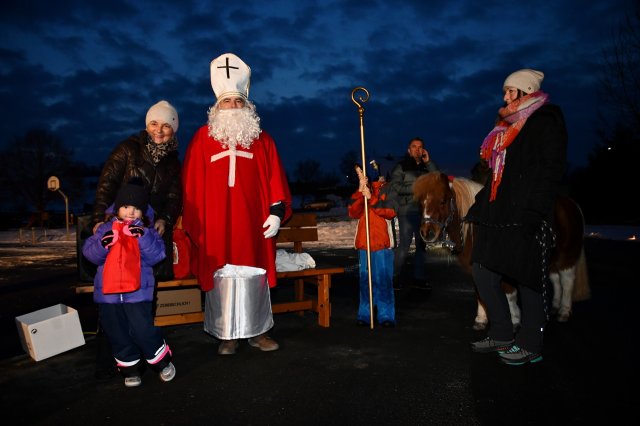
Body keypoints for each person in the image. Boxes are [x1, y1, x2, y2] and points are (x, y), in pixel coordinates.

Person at [182, 52, 292, 355]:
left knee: (252, 273)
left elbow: (275, 181)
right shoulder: (202, 139)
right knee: (222, 275)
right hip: (215, 223)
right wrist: (196, 223)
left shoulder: (262, 140)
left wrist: (277, 213)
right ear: (217, 107)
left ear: (248, 106)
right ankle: (226, 334)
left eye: (238, 101)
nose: (233, 107)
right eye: (227, 102)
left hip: (253, 223)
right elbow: (190, 186)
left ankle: (258, 332)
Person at [466, 68, 568, 366]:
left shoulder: (545, 121)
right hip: (500, 213)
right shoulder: (506, 128)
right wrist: (481, 204)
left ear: (526, 92)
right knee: (483, 272)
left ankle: (531, 343)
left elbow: (550, 170)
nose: (505, 96)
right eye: (505, 92)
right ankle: (501, 332)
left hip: (527, 212)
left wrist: (535, 211)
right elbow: (501, 175)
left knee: (528, 279)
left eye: (510, 91)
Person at [88, 100, 182, 379]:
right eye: (154, 123)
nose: (159, 130)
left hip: (148, 229)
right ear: (146, 124)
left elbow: (176, 197)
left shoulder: (174, 162)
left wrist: (164, 217)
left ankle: (151, 355)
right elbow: (106, 183)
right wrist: (99, 220)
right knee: (114, 313)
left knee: (141, 303)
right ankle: (125, 361)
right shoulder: (128, 149)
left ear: (174, 129)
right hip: (117, 222)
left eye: (166, 125)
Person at [82, 179, 176, 387]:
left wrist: (142, 237)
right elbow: (89, 255)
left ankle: (162, 361)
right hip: (108, 295)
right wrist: (103, 245)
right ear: (117, 208)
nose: (131, 212)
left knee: (142, 329)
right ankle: (130, 368)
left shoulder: (146, 231)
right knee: (117, 332)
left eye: (136, 208)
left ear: (143, 212)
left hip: (137, 292)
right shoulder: (104, 229)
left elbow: (158, 255)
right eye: (125, 207)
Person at [348, 168, 397, 327]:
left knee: (384, 280)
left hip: (382, 243)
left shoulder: (389, 189)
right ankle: (365, 313)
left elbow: (390, 211)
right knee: (365, 281)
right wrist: (361, 192)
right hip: (365, 243)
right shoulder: (361, 189)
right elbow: (353, 212)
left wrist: (371, 198)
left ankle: (386, 315)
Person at [388, 137, 439, 290]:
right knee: (404, 246)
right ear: (409, 150)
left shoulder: (425, 168)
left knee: (421, 246)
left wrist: (429, 162)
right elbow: (395, 188)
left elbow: (437, 179)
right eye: (414, 146)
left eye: (420, 147)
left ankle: (419, 277)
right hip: (407, 211)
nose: (417, 149)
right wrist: (417, 188)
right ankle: (393, 277)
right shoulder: (401, 166)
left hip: (423, 212)